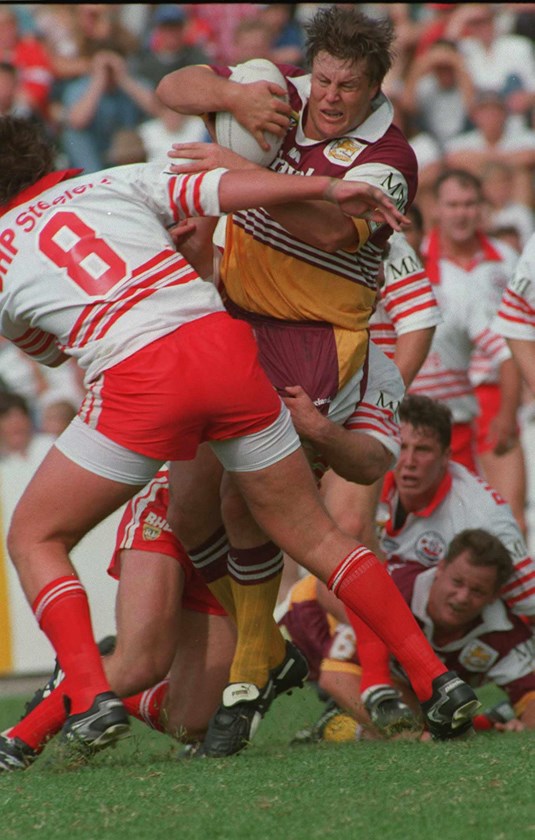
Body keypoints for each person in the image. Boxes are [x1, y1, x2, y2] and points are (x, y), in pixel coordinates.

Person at [0, 114, 479, 771]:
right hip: (227, 350)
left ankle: (86, 694)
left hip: (144, 379)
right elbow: (224, 189)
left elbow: (46, 352)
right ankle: (436, 679)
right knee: (314, 535)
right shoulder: (110, 182)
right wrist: (325, 188)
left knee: (34, 536)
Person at [156, 4, 421, 756]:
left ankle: (249, 671)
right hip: (234, 317)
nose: (330, 97)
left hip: (317, 341)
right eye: (326, 79)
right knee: (188, 512)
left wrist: (244, 173)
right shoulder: (283, 94)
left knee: (249, 503)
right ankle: (265, 656)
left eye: (349, 86)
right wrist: (231, 97)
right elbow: (172, 89)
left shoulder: (390, 159)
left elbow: (331, 230)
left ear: (376, 89)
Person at [0, 467, 239, 771]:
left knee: (191, 721)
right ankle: (18, 741)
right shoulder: (296, 427)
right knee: (140, 664)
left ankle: (91, 672)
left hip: (229, 540)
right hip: (169, 513)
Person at [345, 393, 535, 725]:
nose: (408, 461)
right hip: (400, 618)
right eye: (401, 447)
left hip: (452, 634)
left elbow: (529, 600)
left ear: (447, 455)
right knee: (332, 584)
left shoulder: (484, 518)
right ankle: (377, 687)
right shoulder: (368, 477)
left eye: (423, 450)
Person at [281, 529, 535, 743]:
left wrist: (524, 723)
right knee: (409, 711)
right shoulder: (396, 588)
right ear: (440, 568)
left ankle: (338, 724)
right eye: (457, 582)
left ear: (494, 596)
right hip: (301, 624)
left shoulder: (505, 633)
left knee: (422, 703)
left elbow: (530, 696)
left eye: (477, 591)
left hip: (388, 676)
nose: (462, 598)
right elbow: (336, 676)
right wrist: (409, 734)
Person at [409, 169, 521, 481]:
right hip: (435, 393)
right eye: (453, 205)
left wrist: (514, 404)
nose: (462, 214)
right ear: (437, 208)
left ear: (482, 207)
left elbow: (526, 325)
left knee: (506, 507)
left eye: (469, 204)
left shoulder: (507, 258)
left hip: (498, 388)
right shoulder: (416, 259)